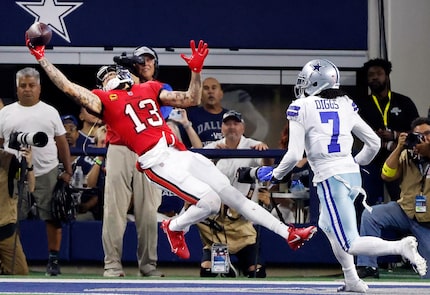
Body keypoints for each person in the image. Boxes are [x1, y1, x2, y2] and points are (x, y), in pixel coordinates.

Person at [26, 38, 317, 264]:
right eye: (106, 76)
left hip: (181, 154)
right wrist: (42, 58)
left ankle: (288, 233)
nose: (111, 76)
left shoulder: (149, 88)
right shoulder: (104, 99)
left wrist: (196, 70)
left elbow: (191, 98)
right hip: (156, 160)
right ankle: (175, 226)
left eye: (112, 72)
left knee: (233, 197)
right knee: (212, 202)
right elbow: (68, 88)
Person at [256, 59, 427, 293]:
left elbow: (294, 153)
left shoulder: (301, 106)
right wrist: (354, 162)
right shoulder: (345, 103)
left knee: (350, 242)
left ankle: (400, 247)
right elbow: (374, 142)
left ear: (316, 82)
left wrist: (275, 175)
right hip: (351, 176)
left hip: (331, 179)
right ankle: (352, 279)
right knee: (327, 225)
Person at [100, 46, 170, 277]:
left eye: (150, 60)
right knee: (114, 209)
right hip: (119, 146)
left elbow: (163, 114)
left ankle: (148, 267)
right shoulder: (117, 82)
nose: (145, 64)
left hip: (149, 148)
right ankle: (112, 265)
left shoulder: (159, 88)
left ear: (155, 64)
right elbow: (96, 107)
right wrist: (115, 79)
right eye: (140, 60)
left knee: (149, 210)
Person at [0, 67, 73, 276]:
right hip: (13, 174)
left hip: (46, 170)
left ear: (39, 88)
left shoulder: (49, 111)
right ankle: (14, 259)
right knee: (12, 218)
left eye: (31, 85)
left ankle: (53, 260)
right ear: (17, 88)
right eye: (23, 85)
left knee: (52, 216)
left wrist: (67, 171)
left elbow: (62, 143)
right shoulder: (5, 113)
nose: (27, 89)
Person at [197, 110, 271, 278]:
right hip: (218, 223)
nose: (231, 127)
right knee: (209, 272)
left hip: (244, 222)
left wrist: (265, 154)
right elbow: (197, 175)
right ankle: (224, 265)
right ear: (222, 128)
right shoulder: (212, 148)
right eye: (227, 124)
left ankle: (238, 265)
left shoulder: (253, 145)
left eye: (235, 123)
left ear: (243, 127)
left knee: (257, 272)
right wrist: (214, 157)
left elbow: (268, 169)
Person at [357, 117, 430, 279]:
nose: (423, 138)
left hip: (428, 222)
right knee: (371, 214)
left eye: (427, 134)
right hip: (405, 211)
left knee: (427, 274)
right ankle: (368, 265)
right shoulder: (407, 155)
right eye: (418, 135)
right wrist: (399, 148)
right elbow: (387, 175)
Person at [355, 58, 419, 208]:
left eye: (379, 73)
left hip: (401, 160)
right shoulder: (361, 105)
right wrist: (379, 141)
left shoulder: (403, 101)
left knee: (403, 201)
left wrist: (395, 136)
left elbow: (417, 132)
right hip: (371, 161)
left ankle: (405, 230)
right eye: (371, 75)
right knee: (367, 203)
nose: (375, 77)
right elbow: (354, 134)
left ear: (387, 76)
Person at [0, 147, 34, 275]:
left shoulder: (8, 159)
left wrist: (29, 165)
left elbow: (31, 188)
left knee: (20, 273)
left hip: (5, 228)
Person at [183, 77, 229, 147]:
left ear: (221, 94)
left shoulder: (231, 116)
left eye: (214, 88)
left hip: (227, 157)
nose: (210, 91)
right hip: (200, 157)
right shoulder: (191, 116)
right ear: (200, 95)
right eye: (206, 88)